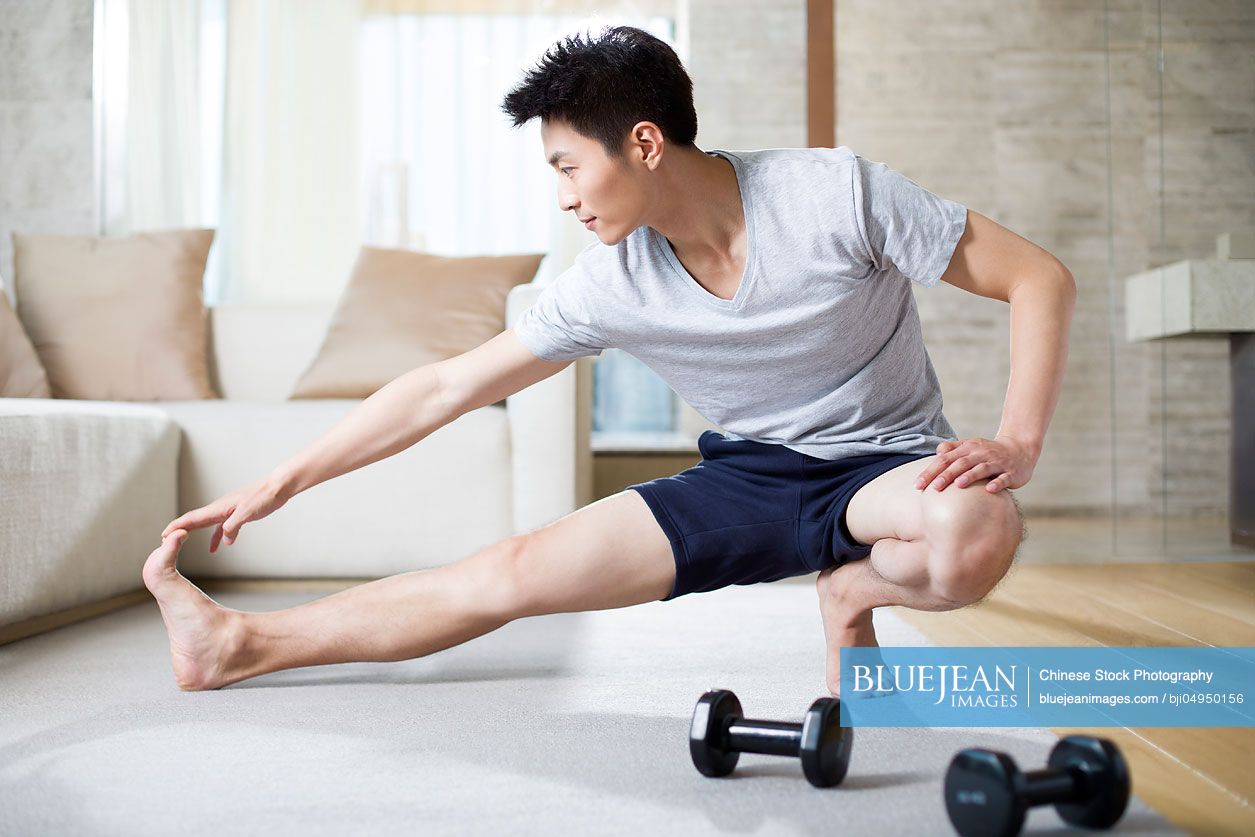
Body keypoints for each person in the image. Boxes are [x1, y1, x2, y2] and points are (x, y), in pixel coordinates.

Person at [145, 25, 1073, 694]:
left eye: (565, 166)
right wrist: (279, 482)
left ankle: (848, 587)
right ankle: (238, 644)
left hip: (885, 468)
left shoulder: (836, 195)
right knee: (506, 574)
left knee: (972, 534)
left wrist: (1017, 442)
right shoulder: (609, 283)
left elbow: (1036, 276)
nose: (562, 197)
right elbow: (444, 386)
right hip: (745, 480)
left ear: (642, 143)